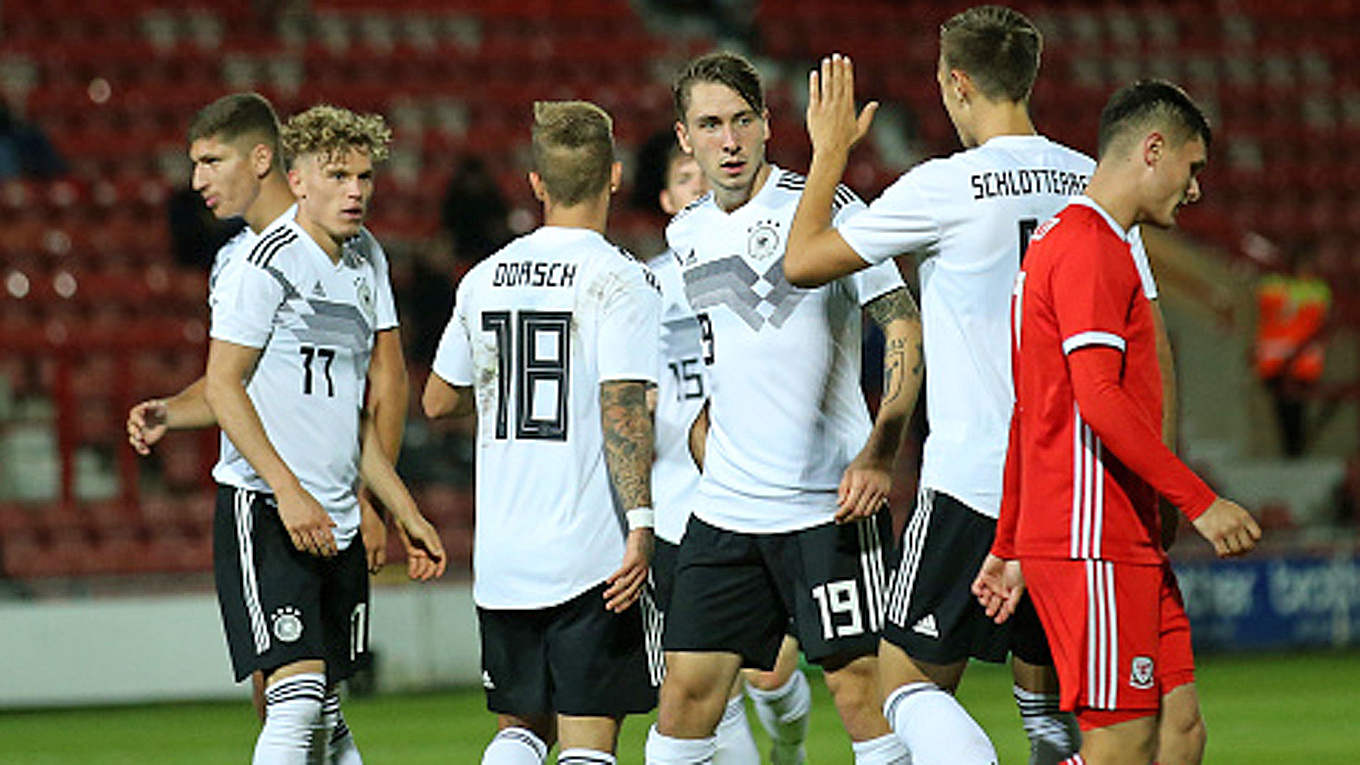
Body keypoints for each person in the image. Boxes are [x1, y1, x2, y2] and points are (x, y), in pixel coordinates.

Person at [782, 7, 1183, 761]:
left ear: (957, 83)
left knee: (905, 683)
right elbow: (1151, 341)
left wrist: (829, 150)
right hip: (1080, 490)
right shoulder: (1093, 183)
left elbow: (802, 261)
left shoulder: (945, 186)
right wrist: (1158, 475)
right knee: (1053, 701)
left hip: (975, 484)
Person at [974, 80, 1262, 765]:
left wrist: (1011, 540)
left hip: (1119, 531)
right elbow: (1098, 400)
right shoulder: (1089, 246)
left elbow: (1030, 410)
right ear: (1153, 150)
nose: (1194, 190)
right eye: (1192, 167)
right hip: (1090, 534)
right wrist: (1201, 501)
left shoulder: (1072, 241)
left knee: (1179, 732)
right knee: (1122, 743)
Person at [645, 52, 918, 765]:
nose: (729, 141)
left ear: (768, 124)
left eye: (742, 121)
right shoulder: (685, 233)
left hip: (828, 505)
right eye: (711, 125)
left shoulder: (826, 206)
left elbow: (901, 323)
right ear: (685, 138)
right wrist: (708, 437)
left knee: (861, 695)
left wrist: (882, 450)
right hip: (726, 509)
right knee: (683, 701)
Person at [204, 103, 447, 764]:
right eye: (338, 176)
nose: (355, 191)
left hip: (333, 516)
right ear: (298, 180)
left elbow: (350, 419)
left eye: (364, 177)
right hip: (266, 508)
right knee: (299, 699)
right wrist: (286, 490)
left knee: (327, 708)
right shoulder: (265, 263)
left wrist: (403, 509)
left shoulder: (366, 261)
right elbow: (222, 385)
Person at [422, 100, 661, 765]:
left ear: (536, 183)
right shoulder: (622, 279)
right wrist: (642, 523)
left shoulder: (483, 278)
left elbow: (437, 399)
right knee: (590, 738)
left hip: (505, 555)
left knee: (520, 731)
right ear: (614, 176)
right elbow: (623, 405)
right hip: (590, 555)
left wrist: (504, 390)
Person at [645, 136, 812, 764]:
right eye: (683, 176)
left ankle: (790, 745)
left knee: (771, 677)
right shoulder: (646, 286)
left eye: (701, 172)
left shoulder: (766, 260)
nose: (697, 182)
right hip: (679, 507)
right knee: (712, 688)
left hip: (765, 493)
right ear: (669, 200)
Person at [1253, 247, 1332, 457]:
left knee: (1295, 411)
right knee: (1284, 412)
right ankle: (1292, 451)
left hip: (1300, 364)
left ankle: (1294, 451)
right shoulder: (1275, 287)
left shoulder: (1314, 291)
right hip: (1278, 363)